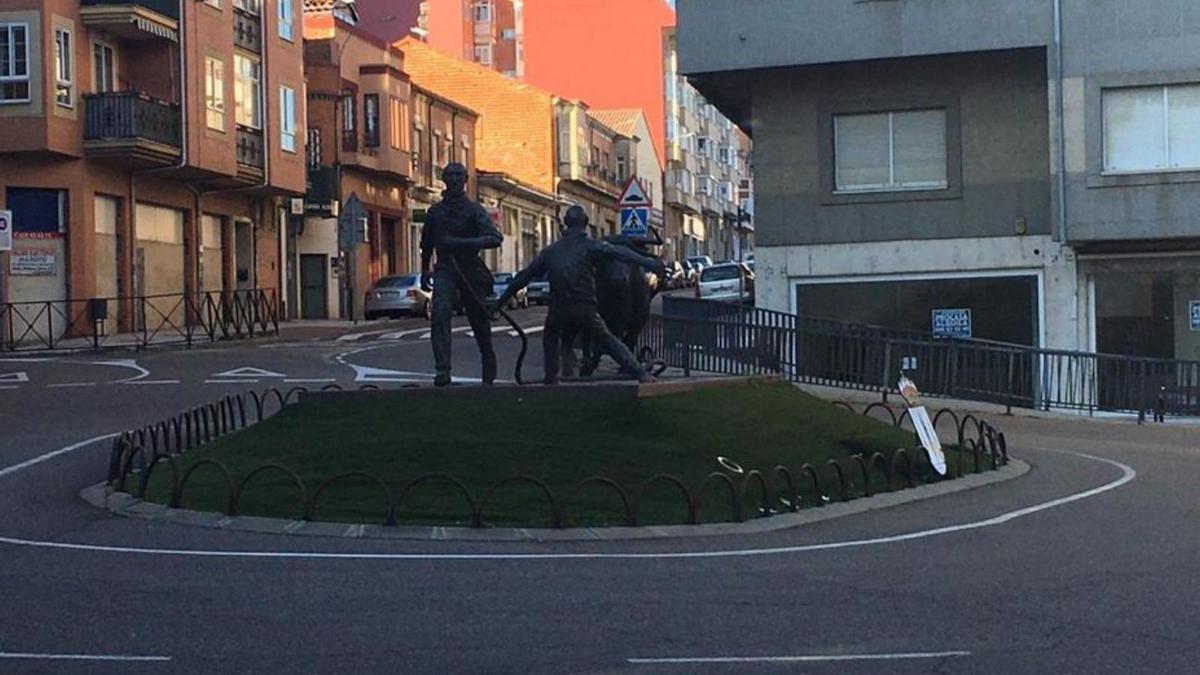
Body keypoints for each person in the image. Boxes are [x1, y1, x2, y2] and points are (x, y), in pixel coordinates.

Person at [496, 205, 667, 385]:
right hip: (584, 309)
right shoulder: (591, 246)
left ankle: (550, 380)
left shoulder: (550, 251)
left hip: (558, 310)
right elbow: (621, 253)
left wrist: (500, 302)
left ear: (565, 224)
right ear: (586, 224)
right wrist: (649, 262)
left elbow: (523, 278)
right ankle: (641, 373)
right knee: (608, 340)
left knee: (551, 339)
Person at [420, 163, 503, 387]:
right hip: (446, 268)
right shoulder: (435, 213)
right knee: (440, 313)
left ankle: (488, 363)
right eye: (451, 175)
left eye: (459, 176)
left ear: (465, 179)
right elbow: (426, 243)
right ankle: (443, 369)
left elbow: (494, 238)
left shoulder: (475, 210)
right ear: (444, 179)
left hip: (470, 268)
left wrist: (460, 243)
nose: (455, 179)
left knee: (478, 319)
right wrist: (424, 268)